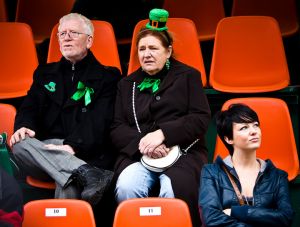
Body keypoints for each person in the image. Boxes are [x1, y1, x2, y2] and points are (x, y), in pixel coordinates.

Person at [110, 8, 211, 227]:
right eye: (142, 49)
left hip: (184, 152)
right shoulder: (126, 84)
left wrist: (164, 134)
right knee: (127, 186)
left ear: (168, 51)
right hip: (137, 154)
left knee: (174, 190)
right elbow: (117, 128)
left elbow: (200, 118)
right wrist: (145, 144)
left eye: (153, 48)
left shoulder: (188, 76)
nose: (146, 54)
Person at [10, 13, 121, 206]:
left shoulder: (108, 76)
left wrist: (72, 147)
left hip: (86, 150)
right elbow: (30, 106)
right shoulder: (45, 74)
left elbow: (100, 120)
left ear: (89, 41)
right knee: (20, 143)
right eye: (62, 34)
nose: (66, 37)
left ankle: (80, 172)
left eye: (73, 33)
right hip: (46, 151)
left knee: (67, 178)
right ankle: (88, 173)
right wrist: (24, 125)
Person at [199, 103, 294, 227]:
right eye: (244, 128)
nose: (253, 131)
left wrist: (237, 211)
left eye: (255, 125)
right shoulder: (211, 172)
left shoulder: (277, 176)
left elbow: (286, 217)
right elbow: (211, 219)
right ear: (228, 139)